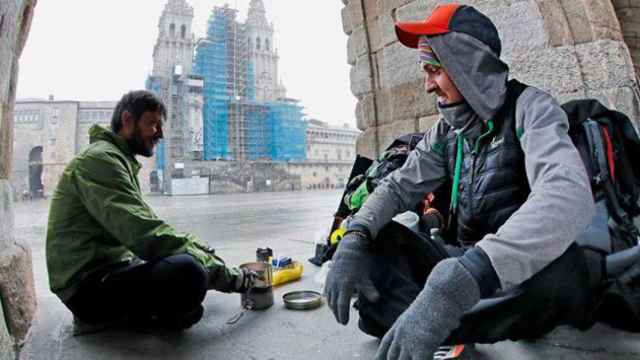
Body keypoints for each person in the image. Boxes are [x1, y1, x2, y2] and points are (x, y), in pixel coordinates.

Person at [325, 4, 599, 359]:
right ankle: (442, 333)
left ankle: (423, 323)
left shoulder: (532, 108)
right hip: (460, 263)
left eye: (434, 70)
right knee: (378, 242)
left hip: (508, 273)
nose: (427, 85)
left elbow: (567, 193)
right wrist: (355, 235)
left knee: (563, 270)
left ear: (467, 64)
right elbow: (396, 187)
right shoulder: (446, 130)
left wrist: (461, 280)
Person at [46, 90, 254, 331]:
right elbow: (144, 235)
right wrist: (229, 277)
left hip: (110, 271)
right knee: (189, 272)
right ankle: (110, 317)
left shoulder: (118, 160)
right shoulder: (100, 161)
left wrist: (199, 249)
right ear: (127, 120)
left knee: (191, 271)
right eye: (152, 124)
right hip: (87, 288)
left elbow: (149, 225)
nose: (160, 134)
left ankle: (145, 313)